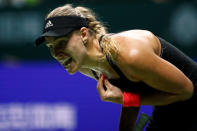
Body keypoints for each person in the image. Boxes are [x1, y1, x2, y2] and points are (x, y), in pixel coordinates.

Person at [35, 4, 197, 131]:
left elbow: (186, 91)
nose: (56, 53)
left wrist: (124, 98)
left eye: (62, 43)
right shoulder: (85, 65)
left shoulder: (130, 55)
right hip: (169, 106)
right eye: (51, 47)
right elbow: (133, 88)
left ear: (84, 34)